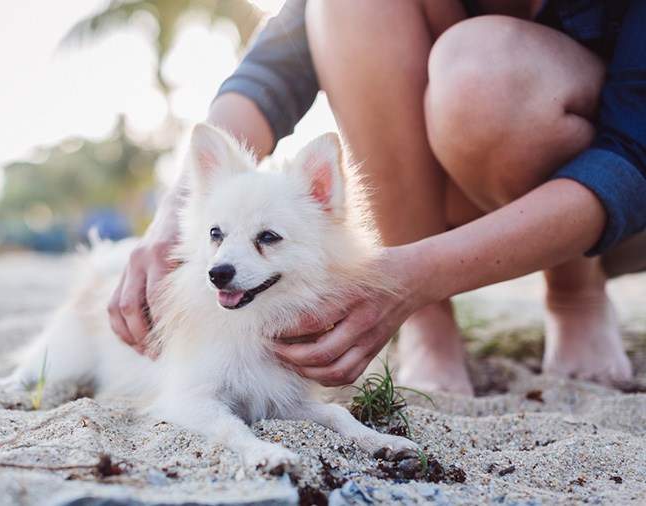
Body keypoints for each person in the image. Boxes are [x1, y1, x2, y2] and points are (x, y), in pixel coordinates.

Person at [108, 0, 646, 395]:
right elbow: (272, 70)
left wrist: (413, 276)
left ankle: (574, 293)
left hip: (617, 213)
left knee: (483, 74)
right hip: (447, 195)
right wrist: (174, 221)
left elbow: (634, 154)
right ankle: (428, 323)